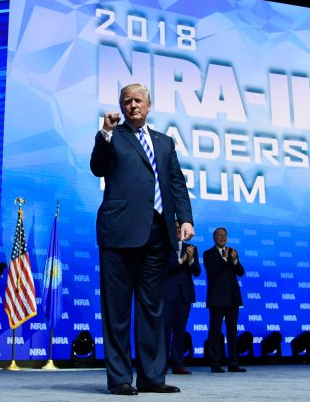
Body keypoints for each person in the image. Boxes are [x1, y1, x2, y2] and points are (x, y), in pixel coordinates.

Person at [91, 83, 194, 396]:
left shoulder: (165, 142)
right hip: (119, 233)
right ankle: (120, 378)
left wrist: (185, 219)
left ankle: (152, 377)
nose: (132, 105)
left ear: (149, 105)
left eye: (137, 100)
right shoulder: (113, 136)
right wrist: (104, 134)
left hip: (157, 235)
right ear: (121, 108)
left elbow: (176, 182)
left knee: (152, 309)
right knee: (117, 310)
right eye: (126, 101)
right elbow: (98, 168)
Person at [203, 227, 246, 373]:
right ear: (214, 237)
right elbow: (213, 273)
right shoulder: (208, 254)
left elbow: (241, 272)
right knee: (215, 332)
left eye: (224, 235)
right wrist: (226, 259)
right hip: (217, 299)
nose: (222, 238)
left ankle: (233, 363)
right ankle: (215, 363)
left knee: (232, 331)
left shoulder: (232, 252)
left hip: (233, 299)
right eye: (219, 235)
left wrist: (234, 260)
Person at [163, 222, 201, 375]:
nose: (179, 231)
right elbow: (165, 269)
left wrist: (190, 260)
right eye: (176, 229)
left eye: (181, 229)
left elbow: (197, 272)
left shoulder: (191, 248)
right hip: (167, 295)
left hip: (184, 296)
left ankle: (178, 364)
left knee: (180, 331)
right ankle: (161, 365)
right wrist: (181, 260)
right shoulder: (164, 247)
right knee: (164, 332)